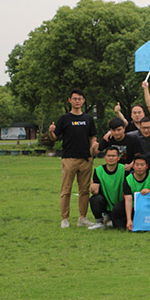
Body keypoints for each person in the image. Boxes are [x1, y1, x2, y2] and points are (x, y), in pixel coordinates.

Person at [48, 88, 98, 228]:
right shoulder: (64, 119)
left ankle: (82, 217)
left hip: (85, 159)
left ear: (83, 101)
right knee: (66, 190)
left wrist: (93, 147)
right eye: (74, 99)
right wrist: (50, 131)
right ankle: (65, 218)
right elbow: (54, 137)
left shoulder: (88, 118)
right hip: (69, 158)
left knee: (84, 190)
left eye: (80, 99)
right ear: (70, 100)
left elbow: (92, 136)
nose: (77, 101)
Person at [115, 155, 150, 231]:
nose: (139, 167)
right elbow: (128, 200)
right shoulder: (128, 179)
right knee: (117, 210)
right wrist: (129, 220)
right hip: (134, 205)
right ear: (133, 166)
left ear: (146, 166)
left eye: (142, 165)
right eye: (137, 165)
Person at [87, 146, 127, 230]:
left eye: (113, 156)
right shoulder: (98, 170)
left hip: (120, 205)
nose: (111, 158)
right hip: (106, 204)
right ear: (105, 157)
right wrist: (92, 189)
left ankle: (112, 218)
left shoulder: (124, 169)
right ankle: (99, 222)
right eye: (108, 156)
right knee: (95, 198)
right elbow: (95, 191)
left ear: (118, 158)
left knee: (119, 227)